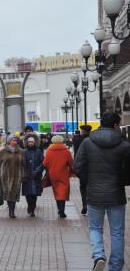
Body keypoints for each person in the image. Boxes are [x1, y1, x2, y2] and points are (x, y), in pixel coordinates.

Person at [74, 113, 130, 271]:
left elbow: (77, 167)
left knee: (95, 228)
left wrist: (90, 179)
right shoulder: (125, 144)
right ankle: (116, 267)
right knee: (117, 232)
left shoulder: (87, 142)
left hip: (94, 194)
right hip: (116, 194)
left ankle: (99, 255)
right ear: (115, 125)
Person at [0, 135, 25, 218]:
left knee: (14, 193)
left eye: (16, 140)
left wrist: (23, 175)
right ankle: (10, 210)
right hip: (5, 176)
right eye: (13, 140)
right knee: (7, 193)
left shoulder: (21, 151)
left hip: (16, 176)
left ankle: (12, 211)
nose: (15, 141)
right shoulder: (3, 151)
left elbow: (23, 165)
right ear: (9, 141)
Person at [43, 135, 73, 218]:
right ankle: (61, 210)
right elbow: (71, 163)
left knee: (56, 192)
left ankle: (60, 209)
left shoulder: (49, 151)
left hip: (53, 174)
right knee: (62, 192)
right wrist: (71, 172)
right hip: (63, 174)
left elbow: (45, 163)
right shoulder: (66, 151)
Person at [22, 133, 44, 217]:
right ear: (27, 143)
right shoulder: (24, 152)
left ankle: (32, 209)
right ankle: (29, 206)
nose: (30, 143)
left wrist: (38, 170)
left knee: (35, 194)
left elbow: (43, 162)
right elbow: (22, 163)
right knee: (28, 193)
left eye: (32, 142)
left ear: (35, 142)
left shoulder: (38, 151)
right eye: (29, 142)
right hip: (27, 176)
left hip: (36, 176)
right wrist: (25, 171)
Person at [72, 125, 92, 215]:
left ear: (83, 131)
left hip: (82, 168)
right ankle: (90, 205)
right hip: (92, 167)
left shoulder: (78, 140)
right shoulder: (92, 139)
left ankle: (85, 204)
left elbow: (76, 153)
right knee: (90, 188)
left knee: (83, 187)